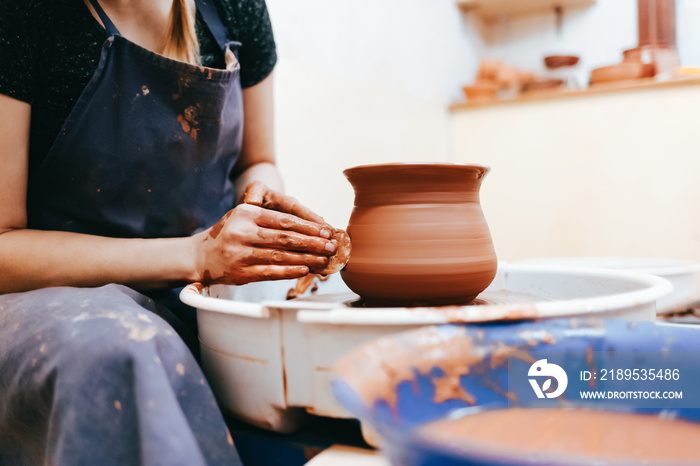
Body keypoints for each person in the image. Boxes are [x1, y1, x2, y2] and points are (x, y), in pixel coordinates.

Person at [0, 0, 339, 464]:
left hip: (202, 289)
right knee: (119, 351)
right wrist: (195, 254)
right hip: (57, 297)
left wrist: (258, 205)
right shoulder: (24, 14)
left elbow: (258, 161)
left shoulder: (236, 8)